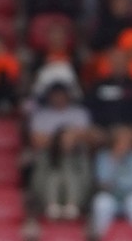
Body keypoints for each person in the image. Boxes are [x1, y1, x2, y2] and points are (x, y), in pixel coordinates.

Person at [27, 79, 94, 219]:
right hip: (50, 157)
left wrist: (71, 138)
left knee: (72, 171)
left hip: (75, 156)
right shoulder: (41, 115)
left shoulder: (79, 113)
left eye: (61, 94)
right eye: (55, 95)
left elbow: (88, 136)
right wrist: (61, 138)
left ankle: (73, 204)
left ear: (68, 95)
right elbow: (36, 140)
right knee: (53, 175)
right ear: (49, 96)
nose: (58, 98)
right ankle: (51, 205)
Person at [91, 123, 132, 237]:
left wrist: (116, 184)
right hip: (110, 196)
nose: (125, 144)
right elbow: (102, 181)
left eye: (128, 140)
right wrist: (115, 161)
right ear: (114, 141)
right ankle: (100, 239)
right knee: (101, 203)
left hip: (131, 194)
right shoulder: (103, 156)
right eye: (122, 140)